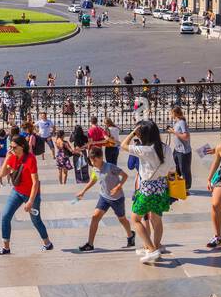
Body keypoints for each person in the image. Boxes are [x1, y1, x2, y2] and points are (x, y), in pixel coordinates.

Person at [121, 120, 171, 264]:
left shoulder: (145, 150)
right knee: (156, 219)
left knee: (135, 219)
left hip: (147, 188)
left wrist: (132, 133)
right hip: (161, 187)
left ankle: (151, 249)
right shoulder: (165, 148)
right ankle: (156, 247)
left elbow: (123, 145)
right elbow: (172, 168)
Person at [0, 134, 52, 255]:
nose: (12, 149)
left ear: (22, 147)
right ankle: (6, 248)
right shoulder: (12, 157)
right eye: (11, 147)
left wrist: (30, 201)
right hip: (17, 191)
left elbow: (35, 182)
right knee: (5, 216)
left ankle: (47, 243)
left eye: (14, 147)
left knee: (36, 220)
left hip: (31, 193)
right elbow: (2, 174)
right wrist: (6, 157)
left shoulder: (30, 159)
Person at [75, 146, 135, 251]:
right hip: (104, 197)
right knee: (95, 217)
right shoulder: (94, 168)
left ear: (101, 157)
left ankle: (130, 235)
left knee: (122, 219)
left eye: (95, 160)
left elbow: (125, 176)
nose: (93, 163)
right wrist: (83, 191)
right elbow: (93, 180)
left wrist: (118, 187)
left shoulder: (110, 167)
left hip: (117, 199)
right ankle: (90, 244)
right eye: (91, 160)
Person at [167, 106, 192, 187]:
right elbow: (177, 133)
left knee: (184, 170)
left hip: (183, 151)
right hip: (177, 150)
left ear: (175, 113)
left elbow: (186, 136)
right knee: (174, 168)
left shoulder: (182, 122)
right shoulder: (175, 122)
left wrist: (174, 132)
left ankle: (186, 187)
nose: (170, 115)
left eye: (171, 113)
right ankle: (177, 185)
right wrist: (172, 131)